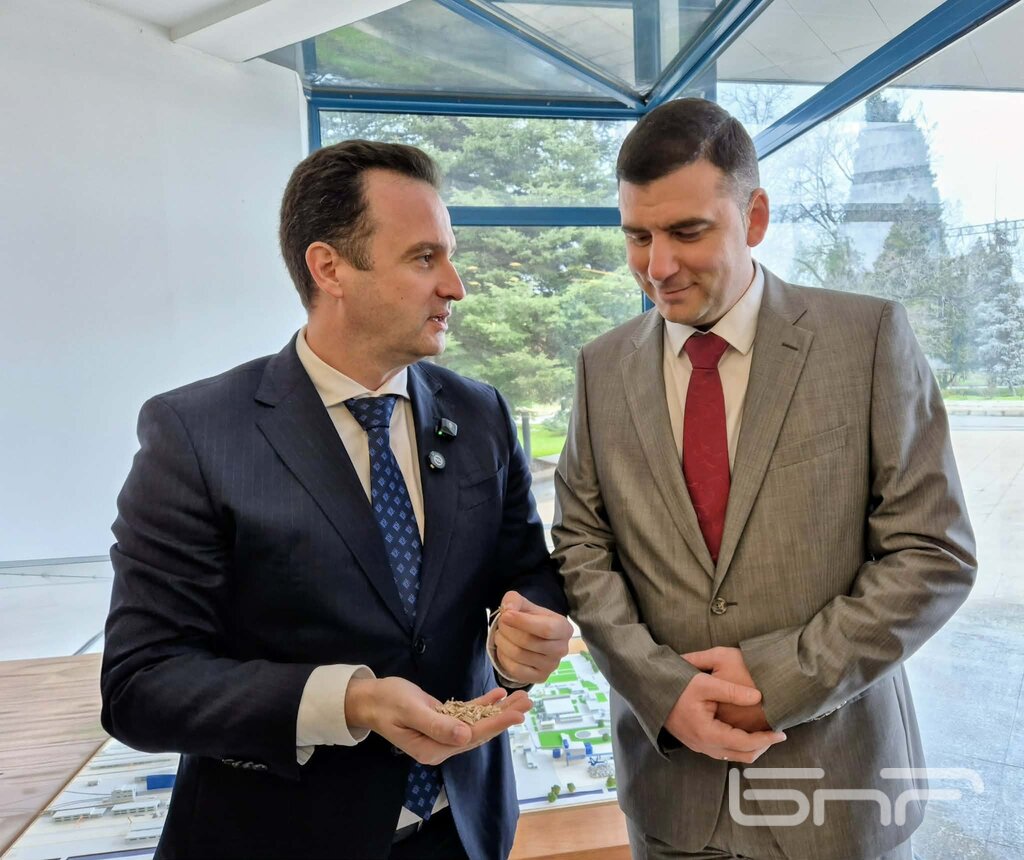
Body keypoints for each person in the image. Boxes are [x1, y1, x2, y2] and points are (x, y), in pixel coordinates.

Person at [101, 140, 572, 860]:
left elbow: (525, 570)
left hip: (464, 830)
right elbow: (142, 683)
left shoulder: (479, 413)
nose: (455, 286)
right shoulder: (197, 434)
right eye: (424, 258)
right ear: (329, 268)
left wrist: (524, 636)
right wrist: (350, 700)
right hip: (277, 841)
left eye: (448, 256)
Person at [551, 98, 976, 860]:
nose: (657, 267)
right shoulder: (600, 368)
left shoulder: (867, 339)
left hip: (837, 798)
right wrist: (664, 692)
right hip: (670, 800)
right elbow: (582, 549)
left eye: (687, 232)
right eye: (637, 236)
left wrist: (777, 682)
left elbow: (932, 553)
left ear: (755, 217)